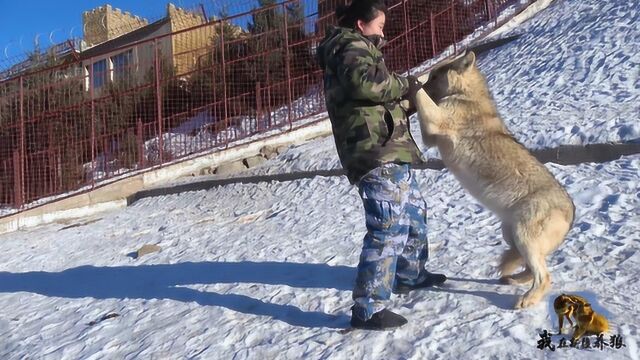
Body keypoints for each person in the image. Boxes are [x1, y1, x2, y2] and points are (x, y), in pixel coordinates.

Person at [316, 0, 447, 330]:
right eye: (379, 26)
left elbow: (376, 99)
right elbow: (366, 85)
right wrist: (405, 84)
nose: (383, 32)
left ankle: (409, 274)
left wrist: (416, 98)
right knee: (387, 225)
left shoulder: (359, 49)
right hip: (373, 152)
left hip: (389, 148)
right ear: (361, 24)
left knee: (415, 212)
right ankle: (368, 308)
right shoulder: (349, 46)